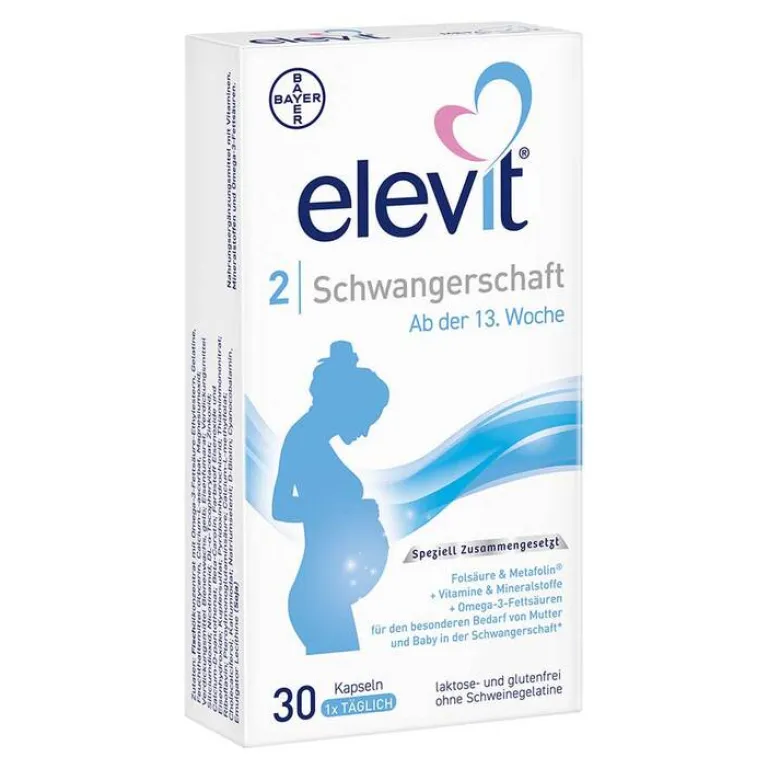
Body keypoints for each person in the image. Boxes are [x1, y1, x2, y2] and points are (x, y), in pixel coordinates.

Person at [272, 341, 390, 654]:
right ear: (347, 404)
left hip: (328, 591)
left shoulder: (313, 439)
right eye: (366, 418)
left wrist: (351, 511)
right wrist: (346, 511)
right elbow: (280, 506)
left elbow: (327, 506)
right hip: (317, 594)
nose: (365, 431)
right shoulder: (303, 438)